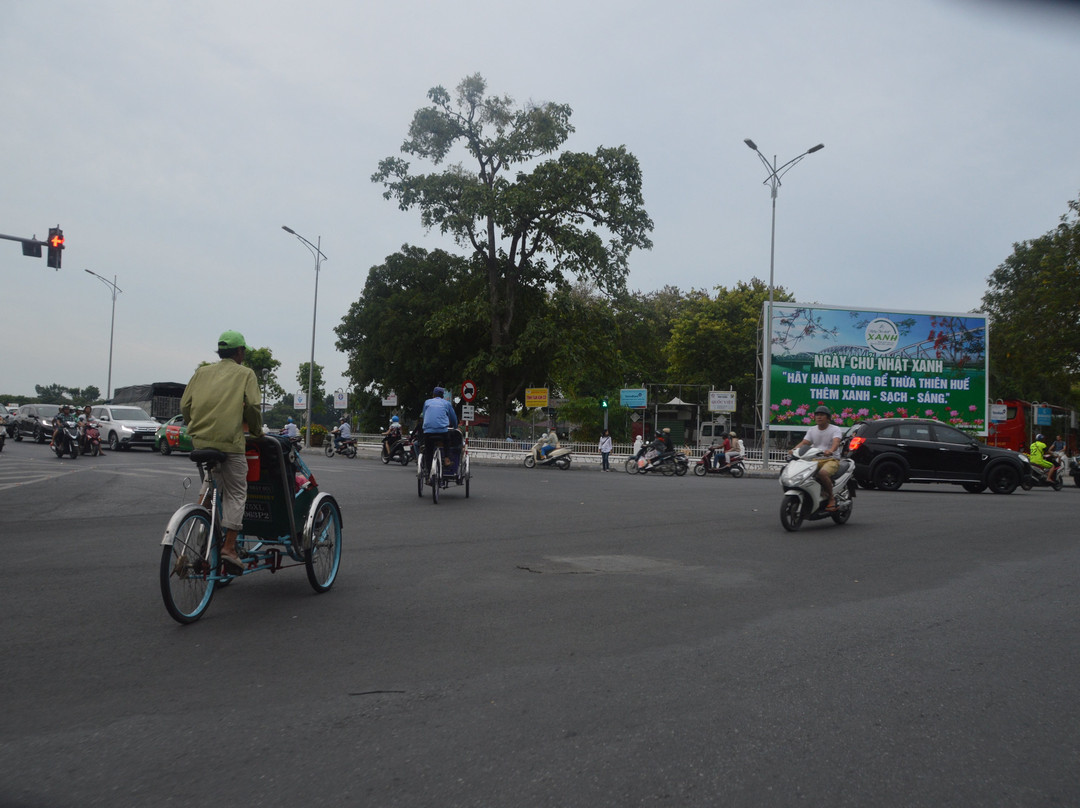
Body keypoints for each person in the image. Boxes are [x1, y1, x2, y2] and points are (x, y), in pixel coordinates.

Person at [180, 330, 263, 573]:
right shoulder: (245, 373)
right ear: (239, 352)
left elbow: (185, 406)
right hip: (230, 444)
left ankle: (198, 541)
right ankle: (228, 547)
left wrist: (195, 426)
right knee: (236, 492)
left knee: (209, 489)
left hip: (201, 443)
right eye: (243, 351)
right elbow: (254, 407)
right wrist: (256, 431)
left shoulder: (201, 372)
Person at [790, 405, 843, 511]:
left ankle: (831, 498)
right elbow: (805, 442)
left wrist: (831, 451)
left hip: (831, 459)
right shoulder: (812, 430)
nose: (819, 417)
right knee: (804, 474)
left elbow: (836, 442)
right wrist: (794, 450)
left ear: (828, 418)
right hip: (814, 459)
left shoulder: (835, 429)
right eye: (817, 415)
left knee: (822, 473)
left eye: (822, 415)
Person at [421, 386, 458, 473]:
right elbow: (453, 418)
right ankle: (447, 458)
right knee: (447, 441)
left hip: (428, 432)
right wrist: (455, 427)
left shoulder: (427, 402)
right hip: (442, 431)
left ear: (433, 394)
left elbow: (424, 416)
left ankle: (428, 472)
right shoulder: (446, 403)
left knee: (429, 451)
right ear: (443, 396)